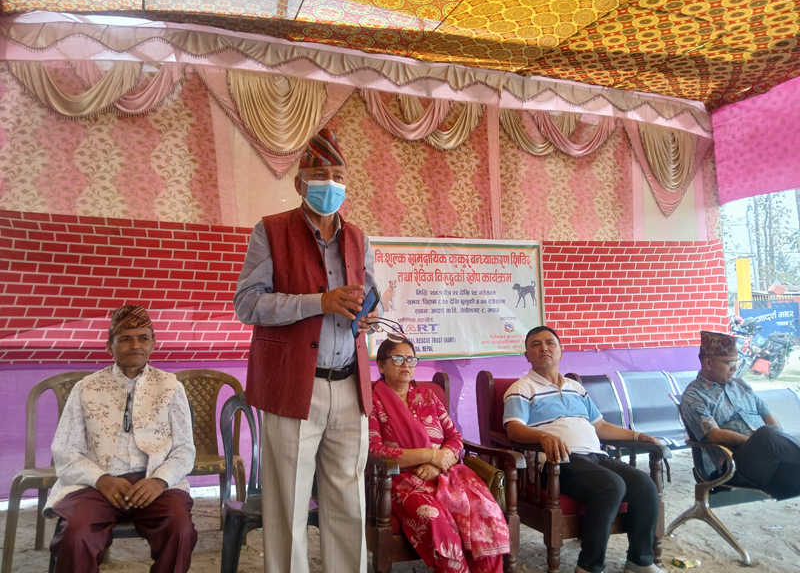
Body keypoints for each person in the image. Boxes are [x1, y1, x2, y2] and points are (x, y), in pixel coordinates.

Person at [233, 128, 380, 573]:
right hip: (295, 386)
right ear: (299, 184)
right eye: (320, 176)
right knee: (289, 505)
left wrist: (368, 315)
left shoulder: (358, 238)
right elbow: (248, 304)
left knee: (349, 502)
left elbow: (369, 295)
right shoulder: (271, 231)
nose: (330, 184)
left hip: (350, 384)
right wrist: (319, 302)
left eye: (338, 176)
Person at [45, 305, 197, 573]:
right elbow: (65, 450)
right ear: (110, 346)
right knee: (76, 533)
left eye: (143, 338)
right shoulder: (86, 388)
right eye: (125, 338)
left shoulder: (171, 387)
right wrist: (101, 480)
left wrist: (159, 481)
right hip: (96, 484)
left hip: (152, 481)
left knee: (180, 528)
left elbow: (184, 449)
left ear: (153, 344)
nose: (135, 345)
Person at [503, 326, 662, 573]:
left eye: (550, 343)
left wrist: (637, 435)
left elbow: (600, 426)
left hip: (596, 457)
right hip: (557, 462)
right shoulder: (521, 388)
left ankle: (639, 561)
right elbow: (514, 428)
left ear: (561, 351)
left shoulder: (575, 387)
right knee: (611, 485)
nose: (544, 348)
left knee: (644, 484)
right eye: (536, 344)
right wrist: (543, 436)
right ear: (527, 355)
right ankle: (589, 566)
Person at [369, 337, 510, 573]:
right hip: (400, 479)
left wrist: (437, 463)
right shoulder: (373, 401)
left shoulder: (428, 396)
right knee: (435, 520)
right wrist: (429, 454)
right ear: (381, 366)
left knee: (485, 510)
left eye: (411, 359)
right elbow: (375, 450)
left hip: (446, 473)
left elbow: (455, 438)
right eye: (398, 358)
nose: (406, 364)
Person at [680, 330, 800, 499]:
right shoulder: (694, 396)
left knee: (776, 442)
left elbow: (766, 414)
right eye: (729, 363)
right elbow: (715, 434)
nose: (735, 368)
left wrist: (772, 445)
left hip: (768, 461)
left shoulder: (741, 385)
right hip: (736, 467)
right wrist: (759, 442)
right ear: (708, 363)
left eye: (736, 362)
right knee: (766, 434)